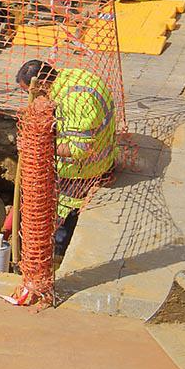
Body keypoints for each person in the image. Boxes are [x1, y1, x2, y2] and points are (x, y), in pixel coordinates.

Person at [16, 59, 117, 253]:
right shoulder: (74, 77)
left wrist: (35, 145)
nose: (32, 99)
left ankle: (58, 252)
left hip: (84, 172)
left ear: (42, 84)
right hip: (101, 153)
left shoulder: (74, 101)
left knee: (61, 217)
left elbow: (79, 150)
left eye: (31, 93)